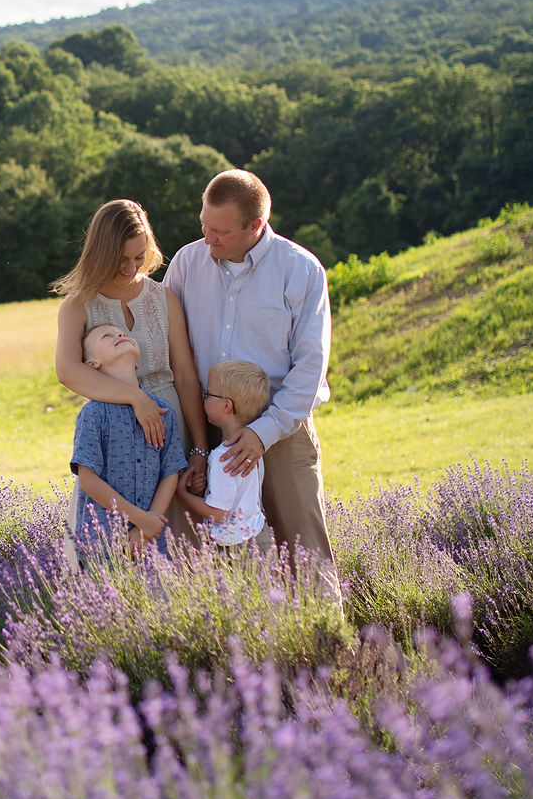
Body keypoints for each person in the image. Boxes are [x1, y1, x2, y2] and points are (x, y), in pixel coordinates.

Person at [162, 169, 334, 566]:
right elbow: (167, 344)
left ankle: (323, 630)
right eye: (204, 226)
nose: (208, 239)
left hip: (281, 429)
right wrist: (198, 442)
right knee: (210, 557)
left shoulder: (302, 271)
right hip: (204, 430)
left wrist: (263, 433)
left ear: (256, 225)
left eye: (220, 232)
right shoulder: (187, 263)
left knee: (304, 551)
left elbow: (310, 366)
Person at [52, 199, 212, 543]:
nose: (131, 267)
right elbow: (68, 371)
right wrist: (135, 398)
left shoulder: (164, 298)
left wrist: (199, 448)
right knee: (116, 540)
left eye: (139, 256)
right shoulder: (77, 305)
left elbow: (184, 377)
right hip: (115, 437)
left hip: (171, 426)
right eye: (120, 259)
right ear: (100, 252)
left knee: (179, 543)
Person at [68, 323, 187, 562]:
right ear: (93, 365)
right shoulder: (93, 414)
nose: (120, 334)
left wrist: (150, 523)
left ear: (136, 364)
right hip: (103, 541)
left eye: (122, 333)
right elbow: (88, 479)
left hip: (152, 540)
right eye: (107, 335)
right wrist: (139, 519)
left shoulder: (164, 411)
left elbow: (170, 471)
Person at [179, 360, 276, 554]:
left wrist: (182, 494)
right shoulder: (252, 448)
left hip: (235, 547)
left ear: (226, 405)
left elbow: (219, 514)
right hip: (259, 536)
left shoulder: (222, 456)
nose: (203, 398)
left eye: (207, 394)